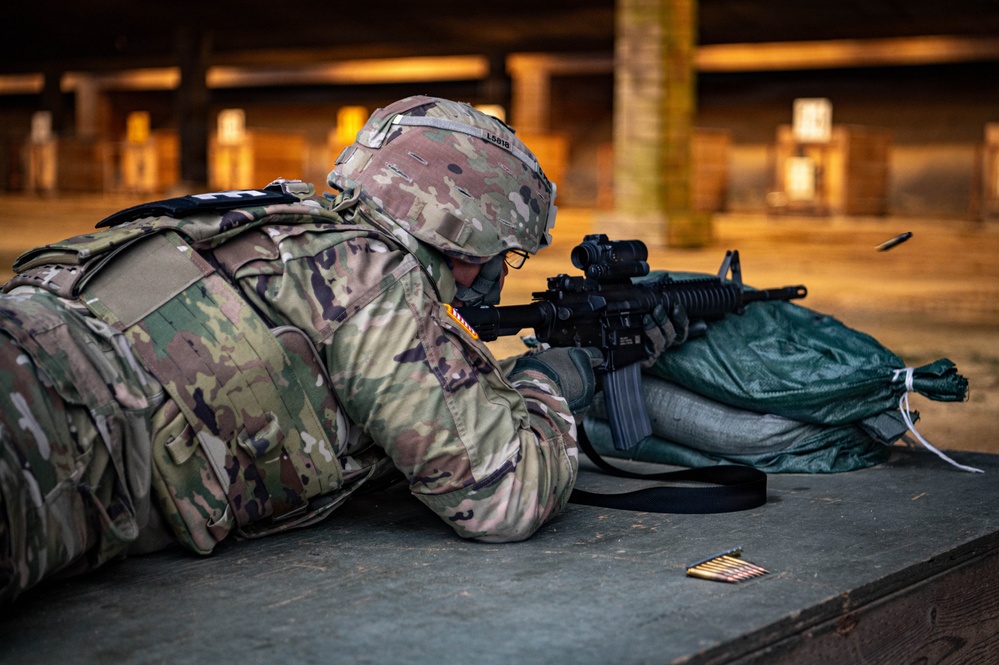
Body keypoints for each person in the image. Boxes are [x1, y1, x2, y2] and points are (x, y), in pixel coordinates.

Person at [0, 96, 681, 604]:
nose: (492, 276)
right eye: (493, 254)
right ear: (457, 228)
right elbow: (502, 494)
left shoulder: (282, 231)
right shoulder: (371, 276)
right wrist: (548, 380)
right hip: (49, 432)